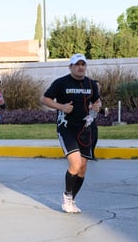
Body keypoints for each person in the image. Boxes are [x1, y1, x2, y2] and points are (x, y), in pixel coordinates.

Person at [40, 53, 101, 213]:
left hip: (85, 129)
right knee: (75, 164)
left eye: (83, 64)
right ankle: (66, 196)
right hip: (66, 128)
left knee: (83, 168)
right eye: (77, 64)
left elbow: (96, 100)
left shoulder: (91, 83)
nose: (80, 67)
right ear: (71, 66)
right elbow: (45, 99)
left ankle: (72, 199)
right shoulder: (61, 83)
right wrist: (61, 107)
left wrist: (96, 107)